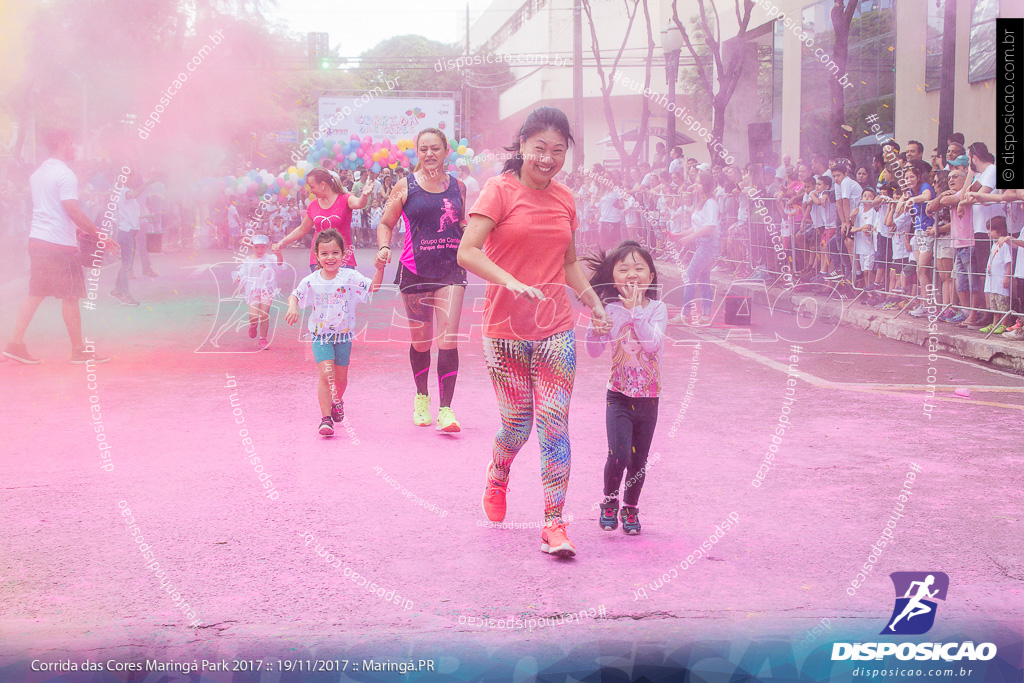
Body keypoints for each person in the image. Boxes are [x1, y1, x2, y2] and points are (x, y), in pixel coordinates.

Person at [457, 106, 611, 559]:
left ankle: (554, 524)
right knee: (517, 425)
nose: (547, 158)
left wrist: (592, 298)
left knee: (554, 424)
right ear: (522, 145)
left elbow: (567, 264)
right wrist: (511, 282)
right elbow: (468, 252)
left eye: (558, 151)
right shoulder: (499, 191)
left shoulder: (565, 198)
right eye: (539, 148)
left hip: (555, 329)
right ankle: (498, 473)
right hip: (504, 332)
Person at [375, 127, 469, 432]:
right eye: (424, 148)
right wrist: (384, 246)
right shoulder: (405, 186)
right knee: (421, 341)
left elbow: (465, 225)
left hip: (451, 271)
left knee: (448, 339)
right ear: (418, 152)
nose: (429, 154)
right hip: (414, 272)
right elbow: (385, 223)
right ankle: (421, 397)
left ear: (446, 152)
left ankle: (446, 410)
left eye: (435, 148)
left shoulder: (459, 187)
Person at [3, 130, 118, 365]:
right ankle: (78, 350)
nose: (74, 145)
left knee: (35, 294)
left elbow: (50, 210)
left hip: (38, 240)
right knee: (71, 296)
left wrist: (74, 229)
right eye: (71, 141)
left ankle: (15, 344)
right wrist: (99, 234)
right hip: (59, 247)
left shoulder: (38, 174)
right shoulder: (65, 174)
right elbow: (71, 209)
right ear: (61, 143)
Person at [583, 241, 666, 536]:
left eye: (639, 267)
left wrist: (636, 312)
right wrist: (595, 328)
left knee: (638, 459)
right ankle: (609, 499)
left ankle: (630, 507)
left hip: (648, 397)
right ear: (613, 276)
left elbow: (652, 344)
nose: (632, 274)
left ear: (651, 275)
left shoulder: (657, 309)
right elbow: (593, 351)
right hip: (617, 395)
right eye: (624, 268)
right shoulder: (609, 309)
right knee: (619, 453)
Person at [285, 229, 384, 436]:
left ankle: (337, 401)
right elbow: (295, 295)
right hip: (321, 336)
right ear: (317, 256)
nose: (330, 258)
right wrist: (292, 307)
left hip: (344, 336)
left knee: (340, 379)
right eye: (324, 253)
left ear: (343, 254)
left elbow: (372, 287)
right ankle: (325, 418)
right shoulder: (311, 281)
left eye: (335, 253)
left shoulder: (350, 276)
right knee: (326, 375)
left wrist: (380, 268)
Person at [272, 168, 372, 272]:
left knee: (341, 288)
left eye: (312, 186)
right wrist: (282, 242)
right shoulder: (313, 205)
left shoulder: (345, 199)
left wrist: (364, 195)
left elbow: (360, 203)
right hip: (319, 260)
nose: (310, 190)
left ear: (323, 185)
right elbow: (302, 229)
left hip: (343, 258)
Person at [670, 171, 721, 326]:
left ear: (705, 185)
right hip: (704, 244)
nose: (695, 185)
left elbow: (710, 227)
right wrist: (680, 234)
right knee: (703, 279)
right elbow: (696, 227)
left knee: (690, 276)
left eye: (699, 183)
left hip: (708, 245)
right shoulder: (703, 203)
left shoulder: (711, 203)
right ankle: (705, 315)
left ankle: (685, 314)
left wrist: (689, 238)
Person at [232, 234, 286, 350]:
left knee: (264, 314)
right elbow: (243, 272)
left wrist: (279, 254)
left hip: (267, 290)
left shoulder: (270, 258)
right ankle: (253, 325)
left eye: (262, 247)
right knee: (253, 316)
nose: (259, 250)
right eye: (256, 247)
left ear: (266, 246)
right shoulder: (248, 260)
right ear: (252, 246)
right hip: (253, 291)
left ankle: (263, 339)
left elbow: (280, 265)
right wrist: (238, 277)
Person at [110, 173, 153, 306]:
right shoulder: (124, 191)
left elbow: (131, 215)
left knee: (126, 263)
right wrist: (147, 184)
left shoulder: (125, 193)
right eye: (132, 177)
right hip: (126, 232)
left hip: (129, 232)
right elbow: (133, 195)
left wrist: (145, 216)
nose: (134, 179)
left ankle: (117, 290)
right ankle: (125, 295)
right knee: (126, 265)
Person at [980, 216, 1012, 335]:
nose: (988, 232)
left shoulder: (1004, 245)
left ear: (999, 231)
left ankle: (1005, 323)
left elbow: (1008, 262)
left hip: (1000, 280)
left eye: (990, 230)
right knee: (994, 303)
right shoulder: (994, 245)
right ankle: (995, 322)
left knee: (1002, 303)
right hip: (992, 281)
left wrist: (1007, 277)